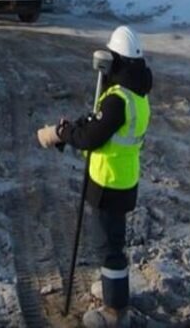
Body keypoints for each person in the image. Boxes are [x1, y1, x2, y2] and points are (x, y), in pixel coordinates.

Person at [37, 25, 152, 328]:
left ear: (117, 60)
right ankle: (111, 284)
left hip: (108, 183)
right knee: (113, 240)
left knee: (108, 246)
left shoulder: (117, 100)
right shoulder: (137, 96)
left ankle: (115, 311)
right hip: (124, 180)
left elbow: (91, 137)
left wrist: (65, 133)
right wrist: (71, 130)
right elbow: (96, 125)